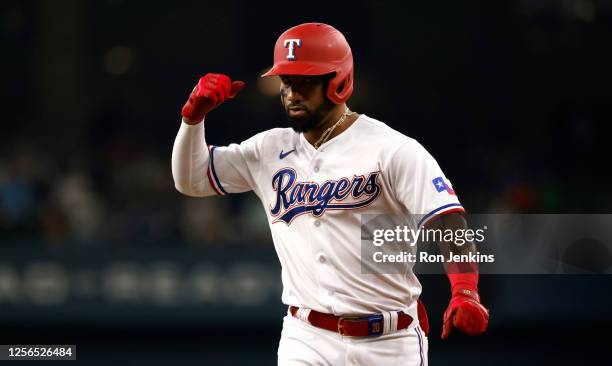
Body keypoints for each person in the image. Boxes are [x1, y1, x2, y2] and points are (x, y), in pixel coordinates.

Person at [172, 22, 489, 366]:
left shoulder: (392, 149)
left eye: (305, 82)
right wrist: (193, 119)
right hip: (306, 337)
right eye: (287, 81)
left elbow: (447, 219)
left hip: (390, 341)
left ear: (338, 82)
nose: (292, 92)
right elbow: (191, 180)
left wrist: (465, 290)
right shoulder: (269, 148)